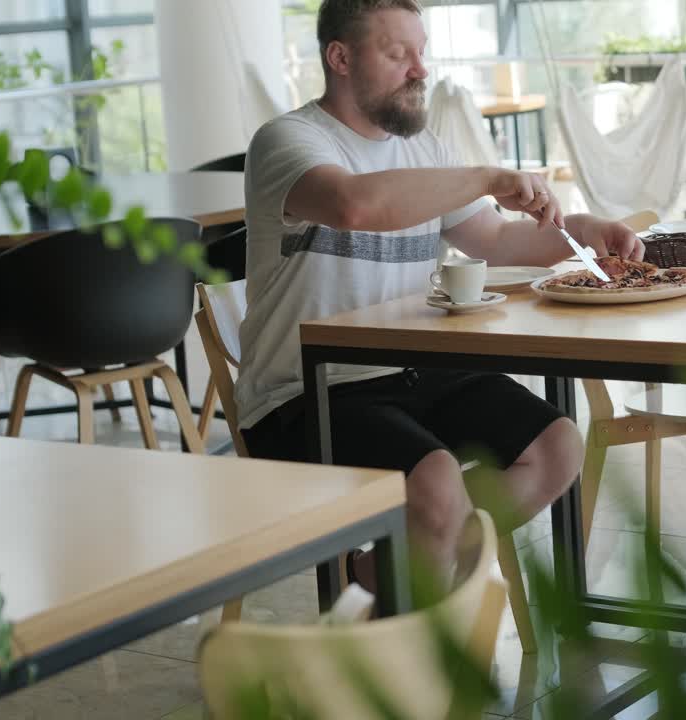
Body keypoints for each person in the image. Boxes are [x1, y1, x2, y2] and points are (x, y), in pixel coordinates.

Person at [233, 0, 645, 586]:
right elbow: (356, 205)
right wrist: (486, 176)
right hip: (305, 391)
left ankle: (397, 568)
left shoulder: (423, 150)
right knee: (437, 481)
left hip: (415, 372)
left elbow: (498, 240)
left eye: (421, 52)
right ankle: (413, 606)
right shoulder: (287, 141)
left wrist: (585, 230)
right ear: (340, 58)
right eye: (399, 53)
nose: (420, 70)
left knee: (557, 445)